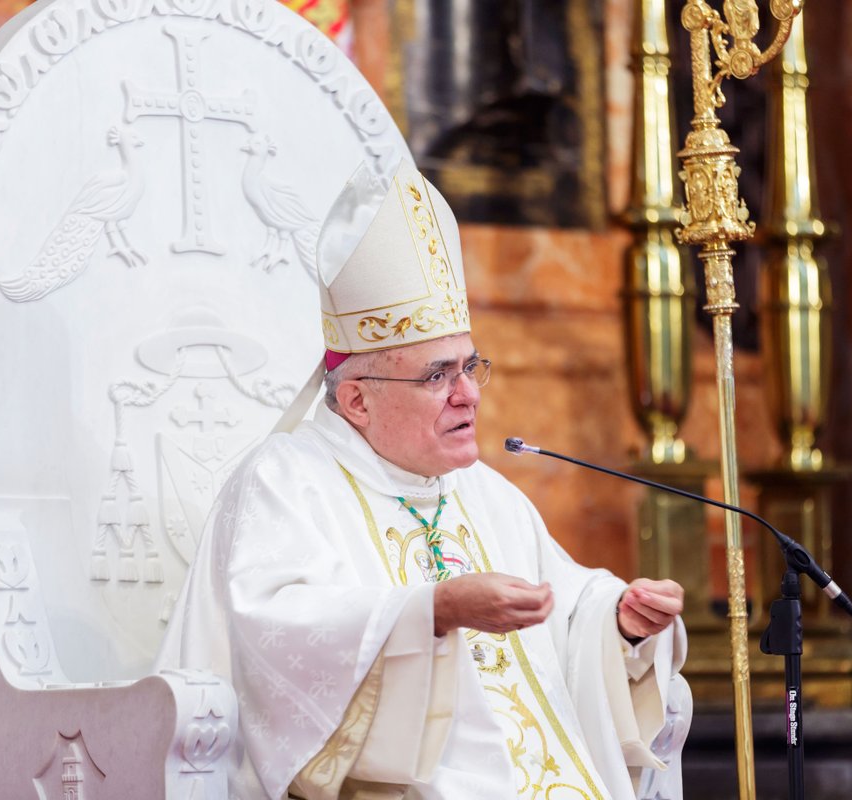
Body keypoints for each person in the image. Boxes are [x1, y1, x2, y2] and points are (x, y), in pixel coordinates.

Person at [159, 159, 690, 799]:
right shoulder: (285, 481)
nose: (468, 394)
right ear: (357, 401)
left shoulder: (487, 493)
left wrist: (623, 624)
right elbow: (278, 641)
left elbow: (570, 611)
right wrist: (433, 612)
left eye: (471, 366)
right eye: (437, 375)